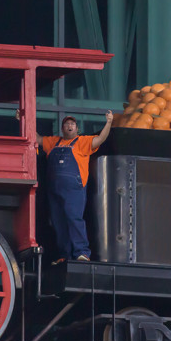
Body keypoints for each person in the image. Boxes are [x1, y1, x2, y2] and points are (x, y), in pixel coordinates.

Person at [36, 111, 113, 264]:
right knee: (58, 221)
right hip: (54, 189)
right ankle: (64, 255)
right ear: (62, 128)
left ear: (77, 129)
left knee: (73, 218)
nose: (69, 126)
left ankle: (82, 252)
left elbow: (100, 139)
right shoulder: (53, 142)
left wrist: (109, 122)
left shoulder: (82, 141)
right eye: (66, 124)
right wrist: (23, 120)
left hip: (74, 189)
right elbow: (37, 138)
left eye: (72, 124)